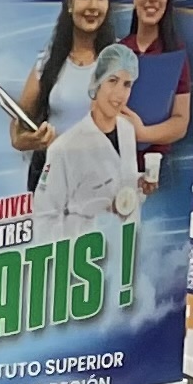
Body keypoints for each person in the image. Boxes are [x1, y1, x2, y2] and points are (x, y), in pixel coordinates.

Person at [31, 45, 150, 240]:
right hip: (86, 253)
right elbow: (44, 220)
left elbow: (121, 180)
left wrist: (140, 184)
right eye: (113, 81)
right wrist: (99, 221)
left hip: (127, 248)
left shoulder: (127, 131)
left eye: (127, 84)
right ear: (97, 82)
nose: (119, 94)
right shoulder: (64, 149)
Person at [9, 0, 118, 171]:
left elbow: (129, 129)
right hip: (52, 177)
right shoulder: (48, 61)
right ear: (70, 3)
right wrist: (26, 140)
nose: (93, 5)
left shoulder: (120, 61)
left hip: (101, 179)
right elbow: (18, 127)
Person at [121, 0, 193, 159]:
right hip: (117, 163)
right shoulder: (119, 51)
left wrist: (142, 134)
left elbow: (180, 122)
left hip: (158, 166)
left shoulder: (175, 53)